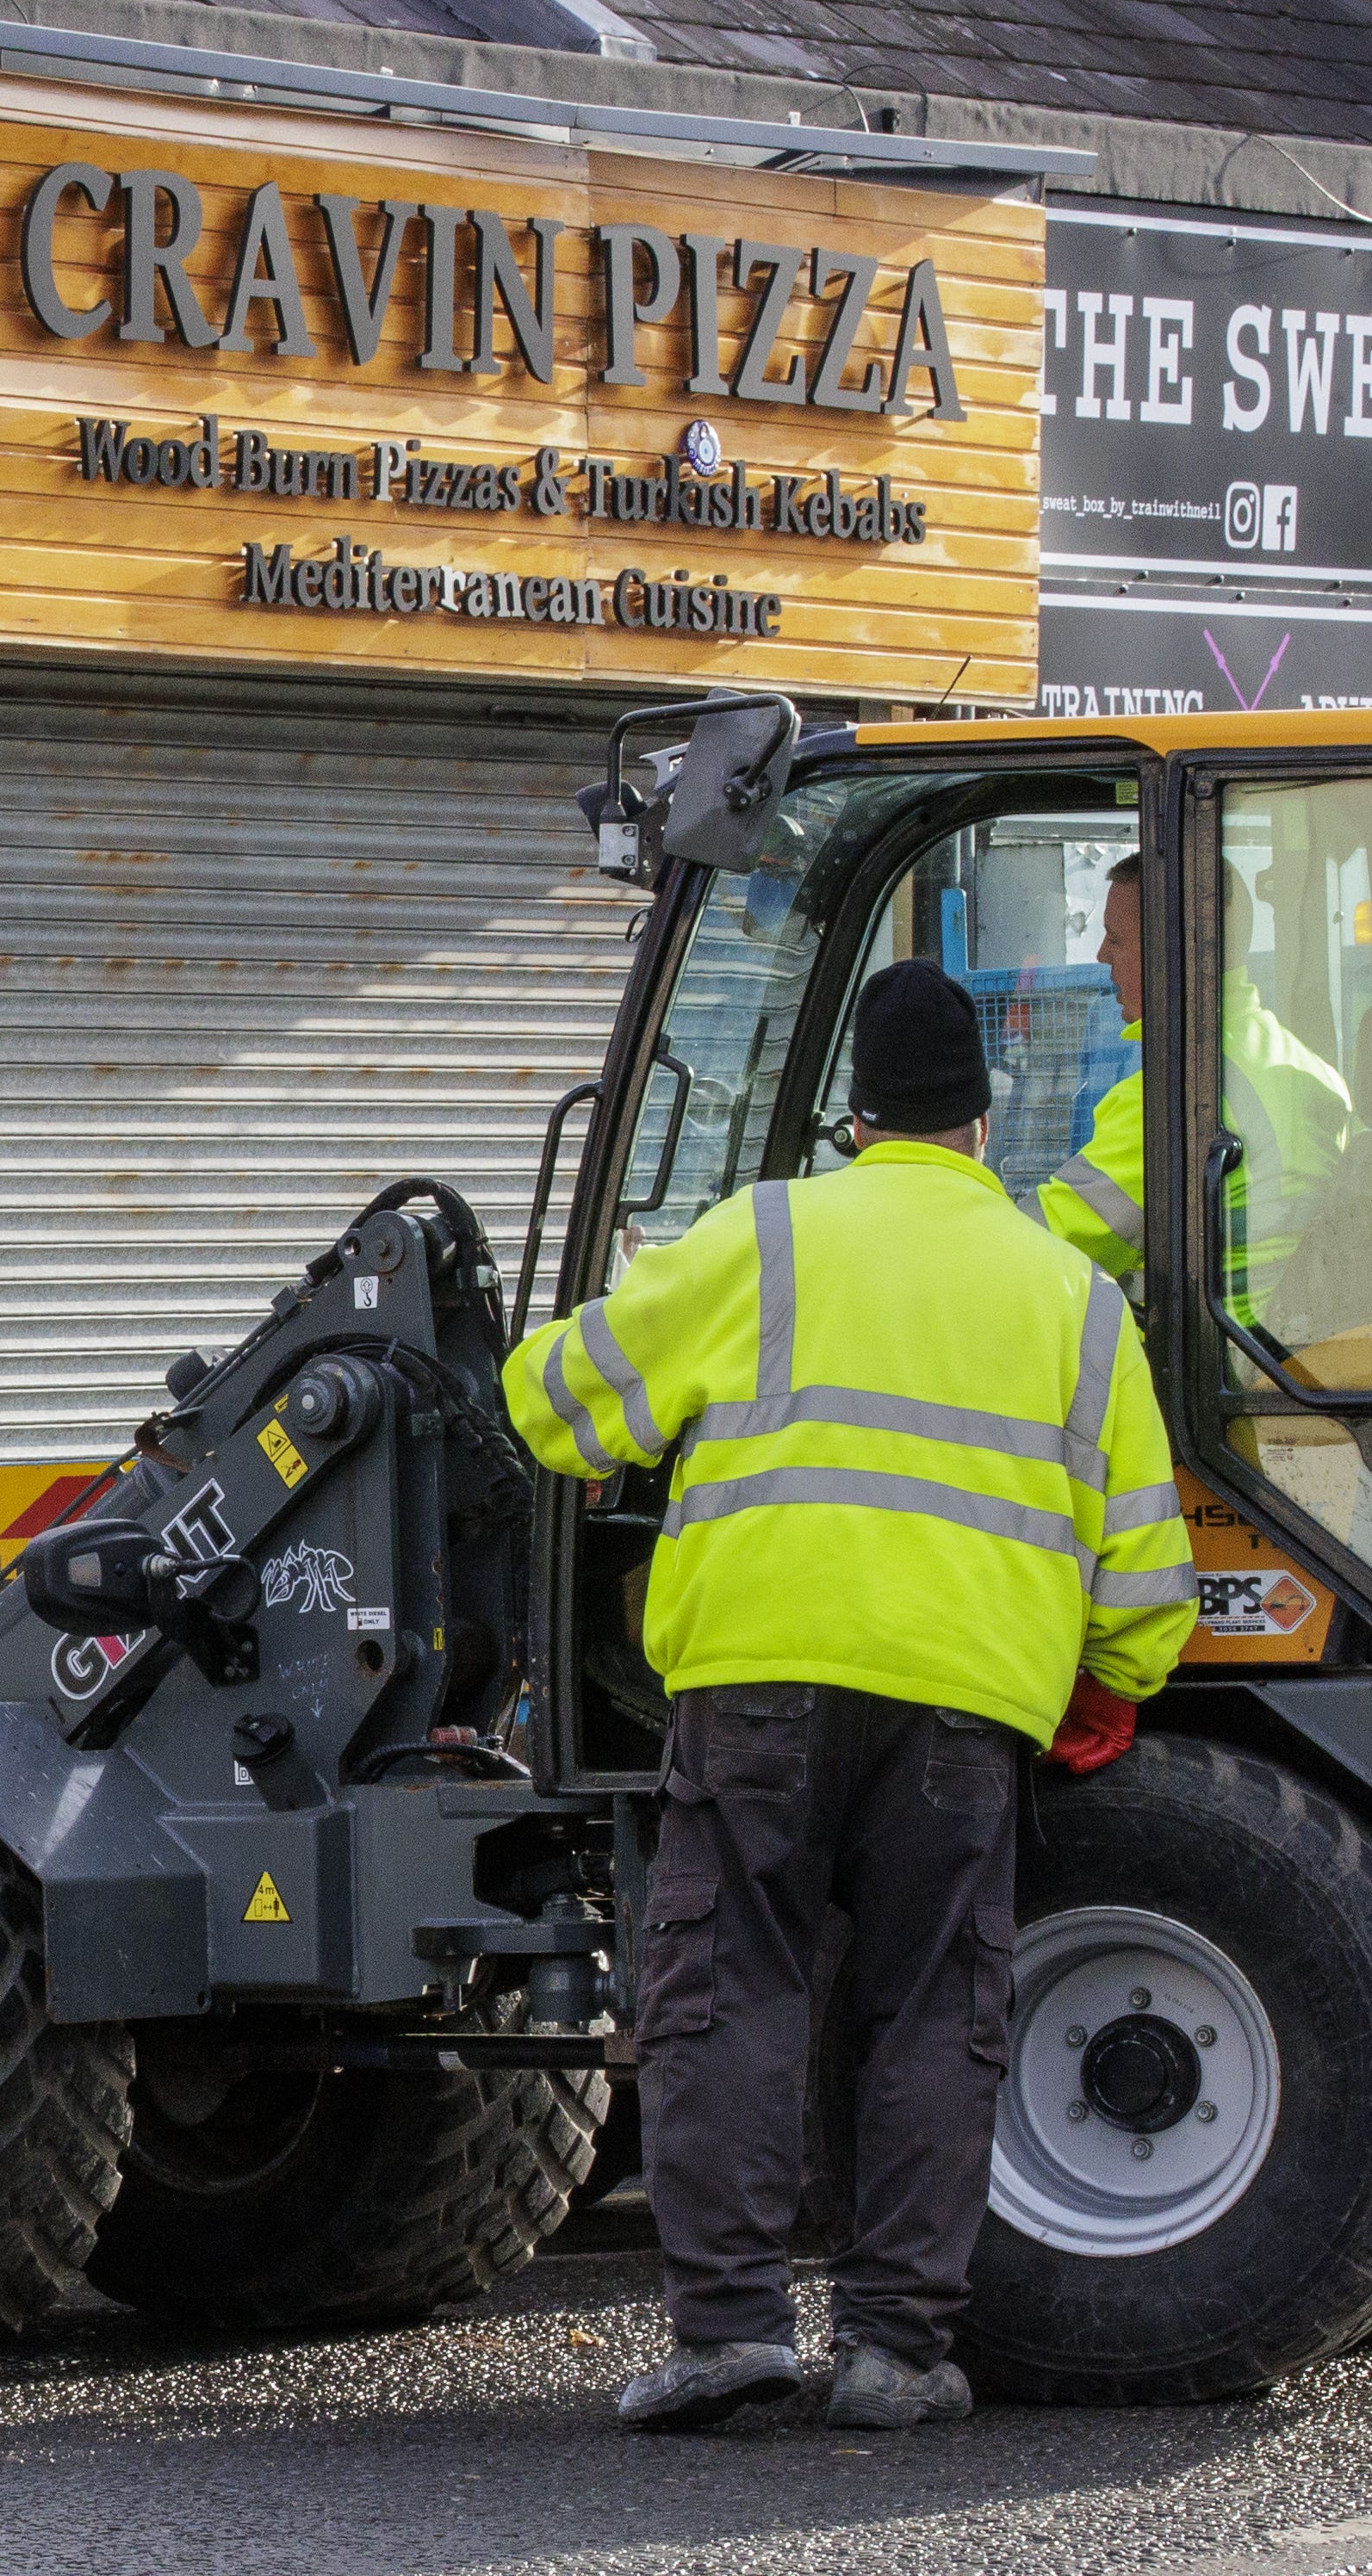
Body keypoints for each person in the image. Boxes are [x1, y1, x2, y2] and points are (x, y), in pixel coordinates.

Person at [505, 963, 1195, 2436]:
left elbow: (559, 1408)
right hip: (963, 1706)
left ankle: (730, 2333)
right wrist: (1108, 1683)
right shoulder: (1067, 1294)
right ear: (980, 1118)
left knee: (724, 1990)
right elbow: (1144, 1577)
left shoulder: (760, 1234)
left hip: (754, 1676)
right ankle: (892, 2347)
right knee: (930, 2009)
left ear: (854, 1112)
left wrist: (564, 1331)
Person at [1032, 852, 1354, 1309]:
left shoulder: (1173, 1096)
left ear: (1173, 953)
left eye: (1116, 938)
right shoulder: (1315, 1073)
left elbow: (1046, 1246)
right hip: (1265, 1352)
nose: (1103, 954)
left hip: (1208, 1357)